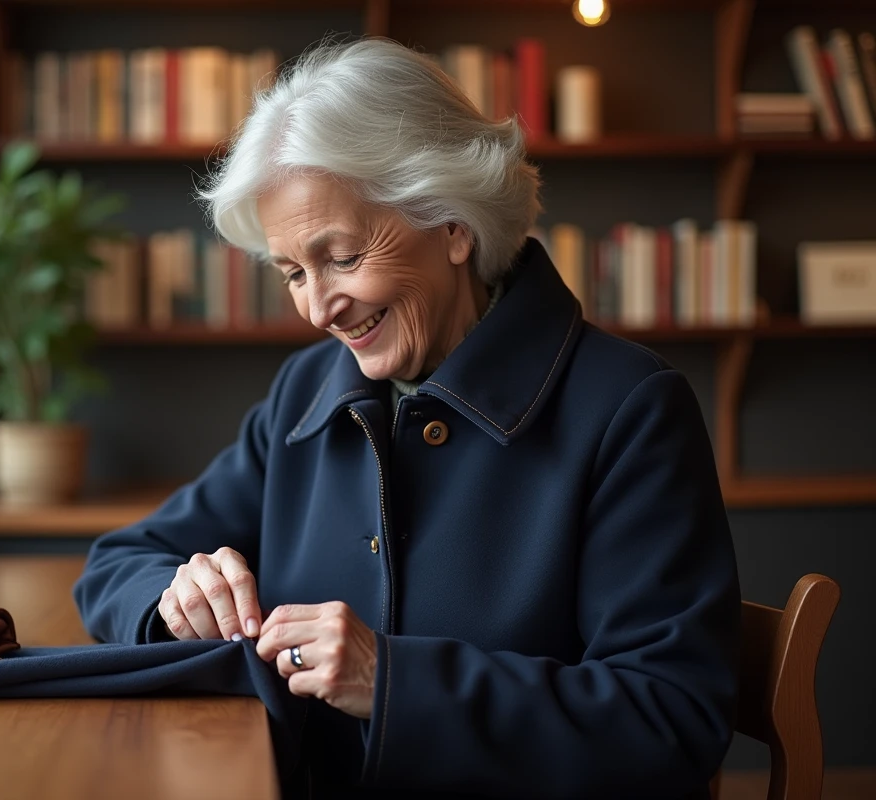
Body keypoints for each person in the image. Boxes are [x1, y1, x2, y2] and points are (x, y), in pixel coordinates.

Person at [75, 37, 740, 798]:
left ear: (452, 222)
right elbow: (116, 566)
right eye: (294, 272)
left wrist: (389, 680)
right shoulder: (308, 391)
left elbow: (671, 719)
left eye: (344, 257)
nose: (320, 308)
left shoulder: (630, 409)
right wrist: (176, 596)